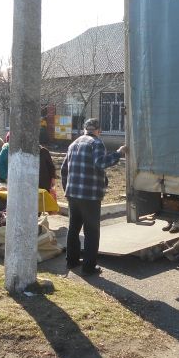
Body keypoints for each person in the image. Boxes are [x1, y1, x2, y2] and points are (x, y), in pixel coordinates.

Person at [61, 118, 126, 276]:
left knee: (73, 229)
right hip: (89, 196)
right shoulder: (96, 143)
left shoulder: (73, 144)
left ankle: (72, 261)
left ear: (85, 129)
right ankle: (89, 267)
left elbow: (64, 170)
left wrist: (67, 190)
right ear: (98, 130)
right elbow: (101, 163)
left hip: (72, 194)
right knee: (91, 231)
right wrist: (118, 153)